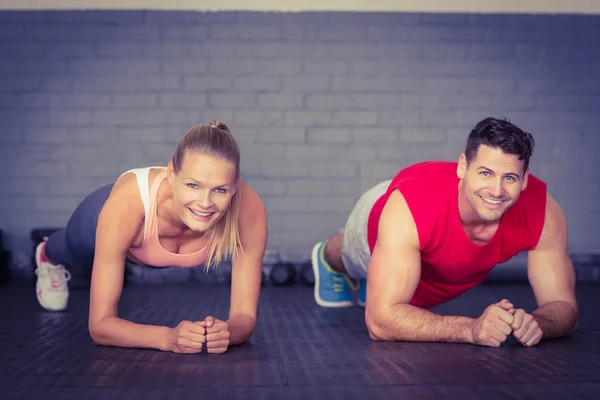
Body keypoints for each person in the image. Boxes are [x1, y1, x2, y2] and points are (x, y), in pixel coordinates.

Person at [311, 117, 578, 348]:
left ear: (525, 179)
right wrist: (471, 329)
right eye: (485, 173)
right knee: (350, 259)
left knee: (393, 283)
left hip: (428, 253)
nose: (497, 191)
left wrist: (537, 324)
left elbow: (564, 306)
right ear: (463, 166)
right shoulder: (410, 207)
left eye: (509, 178)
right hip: (389, 213)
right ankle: (328, 256)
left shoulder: (545, 213)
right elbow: (379, 322)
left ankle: (386, 278)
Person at [34, 121, 268, 354]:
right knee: (72, 251)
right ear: (171, 174)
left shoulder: (249, 211)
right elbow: (100, 326)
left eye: (220, 190)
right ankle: (47, 253)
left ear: (235, 186)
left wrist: (227, 332)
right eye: (192, 185)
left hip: (145, 248)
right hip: (98, 218)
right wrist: (168, 337)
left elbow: (245, 318)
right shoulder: (125, 207)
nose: (205, 203)